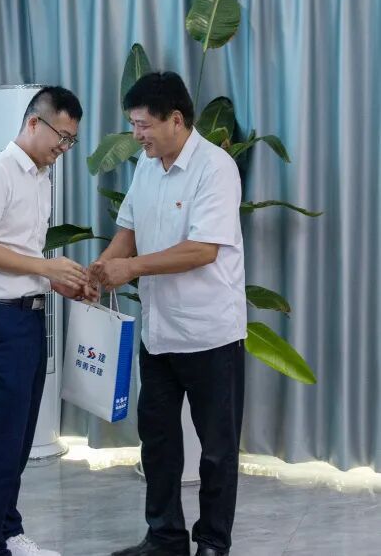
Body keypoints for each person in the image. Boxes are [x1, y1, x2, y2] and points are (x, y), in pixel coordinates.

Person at [96, 73, 246, 556]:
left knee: (217, 450)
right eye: (133, 124)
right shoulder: (147, 165)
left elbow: (202, 249)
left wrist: (131, 268)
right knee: (158, 442)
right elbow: (128, 230)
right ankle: (164, 538)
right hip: (158, 334)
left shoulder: (215, 167)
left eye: (143, 125)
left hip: (210, 335)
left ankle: (213, 543)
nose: (136, 134)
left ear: (176, 120)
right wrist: (100, 272)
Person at [0, 86, 87, 556]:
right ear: (34, 122)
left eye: (71, 140)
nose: (64, 147)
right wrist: (45, 269)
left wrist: (57, 280)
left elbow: (23, 254)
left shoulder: (40, 177)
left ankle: (7, 531)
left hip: (29, 316)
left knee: (18, 440)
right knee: (2, 442)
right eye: (61, 136)